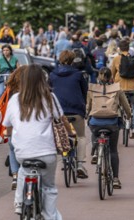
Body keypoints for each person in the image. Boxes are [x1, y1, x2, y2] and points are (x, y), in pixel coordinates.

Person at [3, 64, 73, 219]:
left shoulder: (15, 99)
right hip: (47, 153)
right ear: (43, 80)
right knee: (49, 187)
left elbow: (7, 126)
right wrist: (71, 134)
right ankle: (50, 216)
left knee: (22, 170)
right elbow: (61, 119)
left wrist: (11, 138)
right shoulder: (50, 97)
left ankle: (20, 203)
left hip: (23, 153)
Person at [86, 67, 131, 188]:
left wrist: (87, 115)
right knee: (113, 150)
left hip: (96, 123)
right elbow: (126, 106)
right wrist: (129, 115)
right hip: (112, 123)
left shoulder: (92, 89)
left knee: (93, 129)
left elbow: (88, 107)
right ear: (111, 77)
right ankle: (115, 179)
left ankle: (96, 150)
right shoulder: (117, 88)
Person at [49, 50, 89, 179]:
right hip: (76, 111)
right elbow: (85, 92)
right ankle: (80, 164)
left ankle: (65, 157)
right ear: (73, 61)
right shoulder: (78, 75)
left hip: (58, 112)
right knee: (81, 136)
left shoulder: (52, 75)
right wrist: (84, 107)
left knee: (59, 134)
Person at [111, 40, 134, 139]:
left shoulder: (116, 59)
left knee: (116, 105)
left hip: (120, 87)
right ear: (129, 48)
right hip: (133, 87)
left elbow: (112, 73)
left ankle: (118, 123)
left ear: (119, 48)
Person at [4, 66, 28, 190]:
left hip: (15, 129)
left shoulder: (11, 91)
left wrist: (7, 134)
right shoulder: (35, 92)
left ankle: (15, 175)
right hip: (31, 132)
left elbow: (8, 119)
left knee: (12, 148)